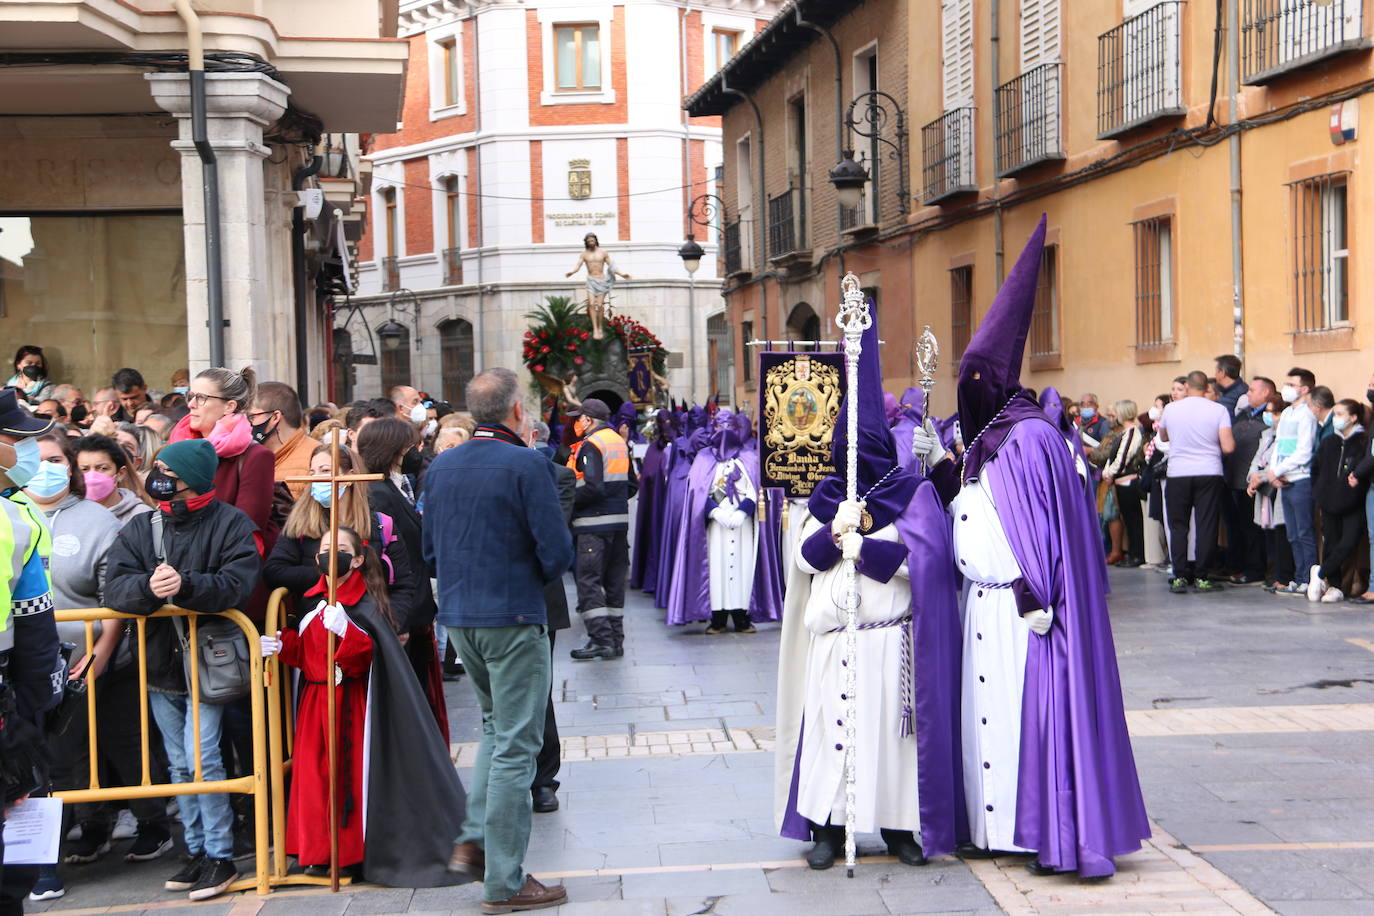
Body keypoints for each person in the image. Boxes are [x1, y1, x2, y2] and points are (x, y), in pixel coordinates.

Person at [913, 217, 1148, 878]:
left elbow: (1043, 532)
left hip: (1024, 615)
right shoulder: (987, 444)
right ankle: (986, 827)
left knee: (1024, 722)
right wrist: (936, 469)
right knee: (980, 720)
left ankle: (1035, 829)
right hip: (977, 609)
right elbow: (970, 513)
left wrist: (1035, 594)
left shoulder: (1033, 439)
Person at [774, 314, 964, 872]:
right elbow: (803, 560)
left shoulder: (913, 496)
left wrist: (870, 549)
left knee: (892, 740)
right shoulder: (824, 498)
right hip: (835, 639)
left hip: (890, 640)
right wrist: (838, 533)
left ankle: (900, 827)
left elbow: (928, 563)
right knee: (834, 731)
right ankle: (829, 828)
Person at [424, 368, 573, 913]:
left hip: (461, 615)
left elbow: (431, 550)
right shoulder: (528, 464)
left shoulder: (441, 465)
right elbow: (557, 553)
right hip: (512, 615)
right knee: (516, 745)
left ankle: (476, 840)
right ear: (516, 412)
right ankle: (504, 879)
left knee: (495, 729)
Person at [260, 525, 469, 885]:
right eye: (325, 548)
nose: (331, 554)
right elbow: (310, 655)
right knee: (315, 779)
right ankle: (318, 852)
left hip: (351, 705)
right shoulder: (311, 599)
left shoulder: (366, 603)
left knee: (349, 778)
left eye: (340, 548)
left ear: (357, 559)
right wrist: (284, 647)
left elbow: (370, 656)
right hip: (315, 704)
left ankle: (350, 853)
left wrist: (349, 632)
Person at [102, 440, 261, 901]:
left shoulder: (232, 524)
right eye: (157, 467)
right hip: (158, 663)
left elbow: (238, 586)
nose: (157, 474)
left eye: (167, 469)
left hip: (209, 664)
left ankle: (219, 854)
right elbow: (115, 589)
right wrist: (149, 588)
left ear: (194, 475)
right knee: (178, 761)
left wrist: (187, 585)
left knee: (202, 758)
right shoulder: (140, 526)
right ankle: (195, 850)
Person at [22, 435, 171, 900]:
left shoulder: (99, 520)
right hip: (26, 665)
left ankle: (148, 823)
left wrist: (99, 656)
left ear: (69, 467)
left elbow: (115, 596)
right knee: (43, 762)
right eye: (37, 460)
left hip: (92, 661)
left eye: (54, 460)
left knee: (114, 747)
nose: (46, 468)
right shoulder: (11, 514)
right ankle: (45, 855)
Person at [0, 390, 65, 912]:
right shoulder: (15, 524)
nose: (25, 451)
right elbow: (36, 637)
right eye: (14, 440)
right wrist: (32, 718)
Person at [264, 444, 417, 636]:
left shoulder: (380, 524)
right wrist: (329, 572)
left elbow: (402, 583)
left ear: (350, 476)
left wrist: (393, 625)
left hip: (370, 629)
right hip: (316, 630)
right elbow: (274, 571)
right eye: (313, 472)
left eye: (326, 471)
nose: (318, 478)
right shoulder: (300, 523)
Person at [356, 418, 447, 738]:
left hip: (416, 605)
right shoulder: (377, 493)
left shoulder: (394, 485)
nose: (415, 452)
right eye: (410, 447)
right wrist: (399, 618)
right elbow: (386, 562)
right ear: (393, 450)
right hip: (403, 611)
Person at [168, 367, 278, 618]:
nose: (192, 405)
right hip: (177, 578)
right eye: (190, 396)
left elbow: (245, 529)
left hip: (228, 585)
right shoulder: (177, 449)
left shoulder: (254, 457)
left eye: (202, 398)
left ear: (229, 407)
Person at [666, 409, 764, 635]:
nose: (726, 432)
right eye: (721, 427)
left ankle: (742, 617)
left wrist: (742, 512)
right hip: (716, 527)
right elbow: (698, 493)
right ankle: (718, 618)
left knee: (743, 569)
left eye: (730, 426)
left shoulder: (749, 458)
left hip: (742, 525)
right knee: (716, 570)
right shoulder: (704, 459)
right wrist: (715, 511)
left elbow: (754, 491)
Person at [565, 398, 637, 660]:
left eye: (578, 418)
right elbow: (631, 485)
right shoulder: (618, 441)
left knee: (589, 582)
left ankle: (601, 640)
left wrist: (567, 497)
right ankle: (615, 640)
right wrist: (614, 503)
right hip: (618, 525)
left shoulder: (591, 444)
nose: (576, 423)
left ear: (588, 419)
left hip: (592, 526)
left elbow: (593, 486)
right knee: (614, 582)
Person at [1157, 370, 1236, 594]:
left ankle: (1180, 575)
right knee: (1206, 524)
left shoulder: (1171, 409)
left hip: (1178, 472)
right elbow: (1228, 446)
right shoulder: (1218, 409)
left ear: (1187, 386)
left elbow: (1163, 437)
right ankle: (1202, 576)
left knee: (1178, 525)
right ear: (1206, 388)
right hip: (1209, 472)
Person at [1308, 399, 1368, 603]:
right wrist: (1319, 492)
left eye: (1341, 414)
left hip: (1353, 501)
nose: (1336, 418)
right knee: (1331, 542)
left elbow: (1365, 469)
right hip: (1328, 501)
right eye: (1335, 414)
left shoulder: (1362, 441)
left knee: (1349, 541)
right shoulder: (1329, 442)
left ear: (1353, 418)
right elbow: (1315, 468)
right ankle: (1335, 586)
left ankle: (1320, 572)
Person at [1269, 368, 1320, 596]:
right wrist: (1273, 471)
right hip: (1284, 480)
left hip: (1300, 480)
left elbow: (1304, 451)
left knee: (1304, 533)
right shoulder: (1288, 413)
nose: (1287, 387)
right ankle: (1299, 578)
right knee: (1292, 533)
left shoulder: (1307, 415)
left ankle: (1310, 579)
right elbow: (1279, 444)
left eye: (1292, 383)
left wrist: (1279, 469)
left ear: (1305, 388)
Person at [1224, 378, 1274, 585]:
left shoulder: (1269, 416)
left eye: (1252, 390)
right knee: (1237, 527)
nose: (1248, 394)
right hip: (1234, 478)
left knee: (1253, 529)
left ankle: (1255, 570)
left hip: (1253, 482)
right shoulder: (1243, 414)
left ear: (1266, 393)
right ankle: (1238, 566)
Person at [1248, 394, 1296, 593]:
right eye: (1267, 412)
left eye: (1274, 412)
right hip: (1263, 490)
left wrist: (1262, 477)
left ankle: (1283, 575)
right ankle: (1274, 572)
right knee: (1268, 532)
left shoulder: (1287, 435)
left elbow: (1281, 462)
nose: (1270, 417)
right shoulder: (1267, 435)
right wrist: (1252, 477)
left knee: (1282, 533)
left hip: (1277, 487)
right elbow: (1257, 458)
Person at [248, 382, 316, 502]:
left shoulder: (316, 457)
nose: (247, 423)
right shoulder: (252, 457)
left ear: (275, 417)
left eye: (252, 417)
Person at [1102, 400, 1146, 568]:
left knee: (1134, 521)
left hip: (1129, 482)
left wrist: (1110, 473)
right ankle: (1133, 554)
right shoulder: (1125, 432)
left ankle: (1137, 555)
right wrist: (1109, 472)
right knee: (1129, 519)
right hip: (1120, 481)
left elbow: (1123, 456)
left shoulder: (1132, 432)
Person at [72, 435, 155, 524]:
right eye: (84, 469)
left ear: (120, 473)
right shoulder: (70, 515)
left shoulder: (141, 516)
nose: (92, 476)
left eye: (102, 468)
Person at [565, 233, 631, 340]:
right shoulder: (584, 254)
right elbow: (578, 265)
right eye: (589, 241)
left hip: (601, 281)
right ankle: (595, 328)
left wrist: (622, 274)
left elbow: (612, 265)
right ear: (586, 242)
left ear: (596, 241)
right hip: (591, 281)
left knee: (600, 305)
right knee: (591, 304)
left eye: (593, 240)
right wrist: (572, 272)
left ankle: (600, 327)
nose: (591, 242)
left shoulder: (603, 253)